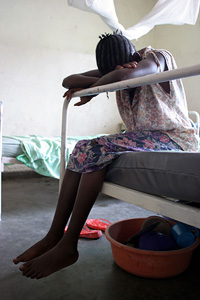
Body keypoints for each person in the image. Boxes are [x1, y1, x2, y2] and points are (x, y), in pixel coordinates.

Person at [13, 32, 198, 279]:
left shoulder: (157, 58)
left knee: (94, 147)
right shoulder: (116, 67)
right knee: (82, 148)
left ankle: (68, 245)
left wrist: (96, 88)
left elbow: (124, 76)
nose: (114, 74)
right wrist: (102, 80)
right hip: (145, 139)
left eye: (117, 69)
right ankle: (54, 236)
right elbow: (68, 80)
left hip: (174, 138)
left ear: (132, 57)